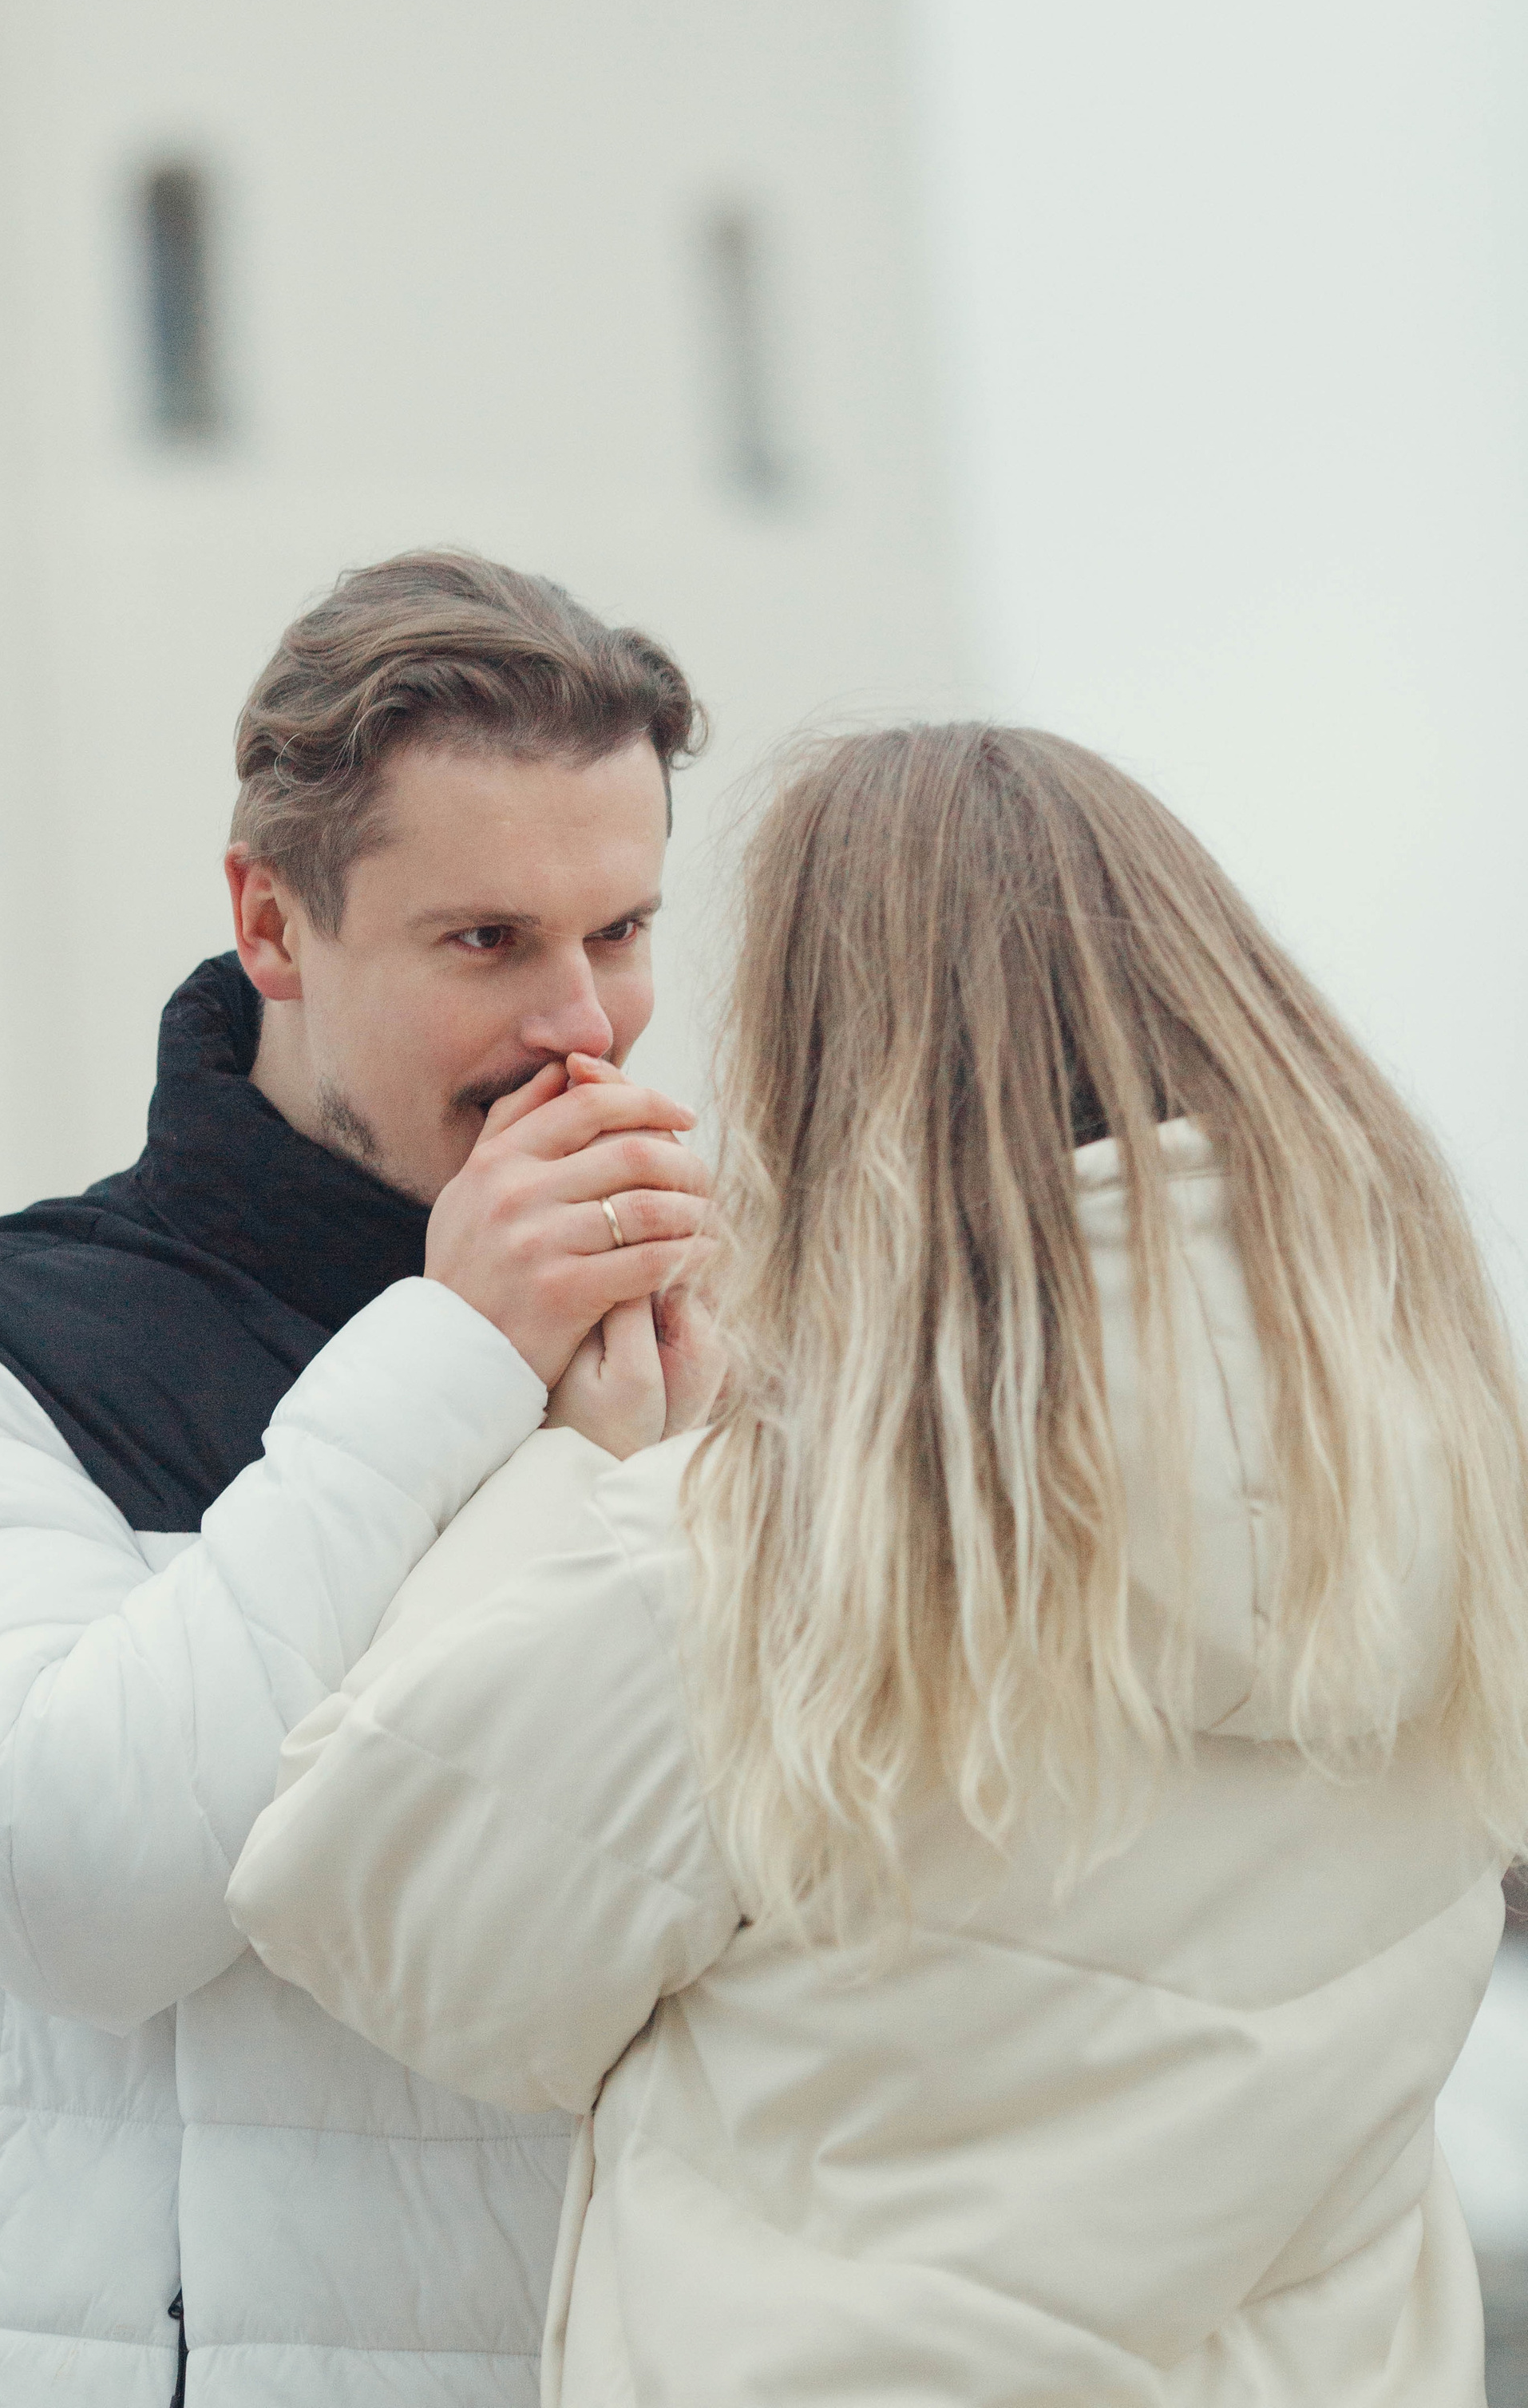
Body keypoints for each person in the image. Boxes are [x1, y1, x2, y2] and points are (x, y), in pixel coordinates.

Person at [231, 721, 1528, 2406]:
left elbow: (358, 1890)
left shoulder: (778, 1549)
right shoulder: (1440, 1500)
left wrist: (569, 1465)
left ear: (835, 1060)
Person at [0, 550, 719, 2405]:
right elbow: (74, 1886)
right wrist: (457, 1361)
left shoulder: (720, 1328)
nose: (580, 1026)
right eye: (486, 943)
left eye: (616, 932)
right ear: (272, 923)